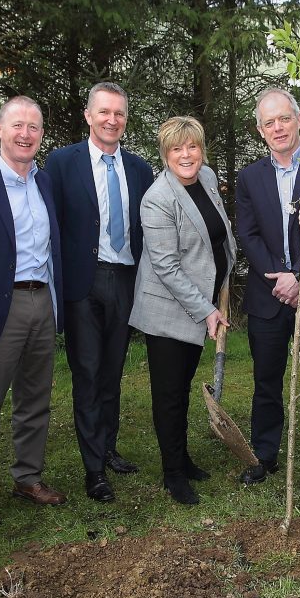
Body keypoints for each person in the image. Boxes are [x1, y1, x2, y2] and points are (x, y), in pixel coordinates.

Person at [0, 96, 66, 529]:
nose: (25, 134)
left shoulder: (44, 182)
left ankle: (27, 478)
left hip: (43, 300)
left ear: (41, 134)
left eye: (34, 127)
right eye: (17, 125)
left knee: (35, 399)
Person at [45, 83, 154, 503]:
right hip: (82, 284)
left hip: (125, 280)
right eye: (104, 112)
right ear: (88, 115)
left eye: (120, 113)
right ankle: (93, 470)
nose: (112, 120)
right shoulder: (61, 163)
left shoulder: (141, 170)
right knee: (87, 374)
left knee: (112, 371)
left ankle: (108, 447)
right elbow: (50, 225)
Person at [235, 87, 300, 493]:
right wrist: (280, 276)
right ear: (260, 131)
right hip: (268, 295)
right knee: (266, 380)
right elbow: (248, 233)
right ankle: (264, 454)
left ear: (299, 120)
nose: (277, 127)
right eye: (269, 122)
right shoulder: (249, 178)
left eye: (284, 118)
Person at [128, 117, 236, 505]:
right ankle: (173, 474)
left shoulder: (205, 177)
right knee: (169, 394)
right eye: (177, 149)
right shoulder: (158, 198)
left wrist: (223, 280)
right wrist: (206, 310)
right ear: (166, 154)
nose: (186, 155)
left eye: (192, 146)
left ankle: (183, 458)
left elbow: (218, 234)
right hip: (169, 312)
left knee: (184, 386)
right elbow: (167, 266)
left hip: (202, 302)